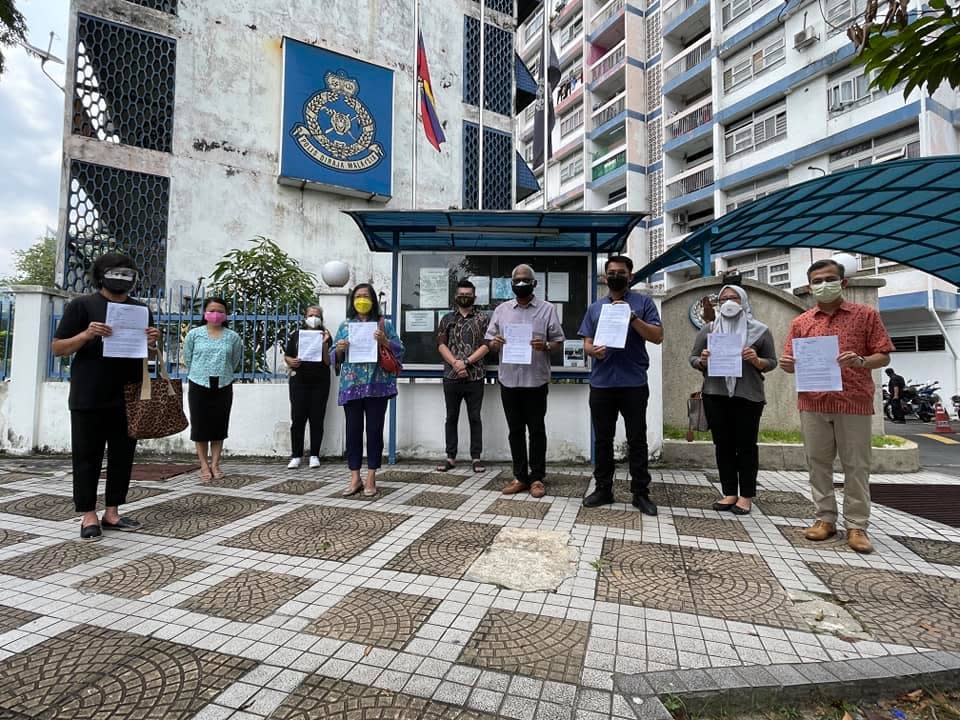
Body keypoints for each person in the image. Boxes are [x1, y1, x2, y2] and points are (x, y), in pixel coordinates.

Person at [780, 259, 894, 554]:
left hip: (852, 400)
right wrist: (788, 364)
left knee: (856, 465)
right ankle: (824, 519)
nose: (823, 284)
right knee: (817, 463)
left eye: (829, 278)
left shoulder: (865, 315)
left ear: (843, 283)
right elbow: (791, 361)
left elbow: (883, 354)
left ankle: (857, 525)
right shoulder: (801, 322)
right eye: (816, 280)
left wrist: (861, 361)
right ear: (809, 286)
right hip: (813, 400)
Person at [52, 253, 161, 540]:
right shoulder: (82, 306)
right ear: (101, 275)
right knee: (87, 456)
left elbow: (146, 356)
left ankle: (112, 512)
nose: (123, 278)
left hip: (128, 394)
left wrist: (151, 344)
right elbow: (58, 348)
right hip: (88, 394)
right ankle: (87, 514)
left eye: (128, 274)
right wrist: (87, 335)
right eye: (117, 272)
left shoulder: (141, 310)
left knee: (123, 457)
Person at [579, 256, 663, 515]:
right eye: (611, 272)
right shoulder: (595, 308)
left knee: (637, 439)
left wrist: (633, 318)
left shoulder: (644, 303)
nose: (616, 276)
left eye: (621, 272)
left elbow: (657, 337)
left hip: (633, 382)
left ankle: (640, 493)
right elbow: (586, 343)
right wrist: (594, 352)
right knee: (602, 439)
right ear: (605, 278)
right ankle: (603, 489)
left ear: (630, 275)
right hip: (602, 384)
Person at [690, 284, 778, 515]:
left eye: (734, 297)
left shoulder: (760, 330)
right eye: (724, 298)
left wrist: (757, 361)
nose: (729, 302)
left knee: (746, 446)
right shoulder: (709, 329)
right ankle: (729, 492)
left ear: (744, 301)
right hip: (715, 395)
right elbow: (692, 358)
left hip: (748, 396)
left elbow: (772, 361)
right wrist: (703, 361)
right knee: (723, 445)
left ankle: (746, 495)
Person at [486, 264, 565, 498]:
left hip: (536, 382)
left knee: (537, 430)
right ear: (511, 284)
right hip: (509, 381)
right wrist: (495, 344)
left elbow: (558, 341)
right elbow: (490, 342)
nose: (521, 284)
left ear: (534, 283)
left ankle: (537, 478)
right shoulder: (501, 310)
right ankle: (520, 477)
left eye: (525, 280)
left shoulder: (547, 309)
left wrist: (547, 346)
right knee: (515, 431)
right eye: (517, 280)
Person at [332, 283, 404, 496]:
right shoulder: (345, 325)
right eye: (358, 296)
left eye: (366, 296)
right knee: (353, 431)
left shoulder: (384, 325)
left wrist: (385, 341)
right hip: (351, 386)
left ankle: (371, 475)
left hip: (377, 386)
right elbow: (333, 356)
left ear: (373, 300)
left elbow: (400, 350)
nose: (361, 299)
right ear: (352, 300)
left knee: (374, 431)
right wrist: (339, 349)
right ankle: (355, 477)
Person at [183, 297, 243, 481]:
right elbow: (188, 358)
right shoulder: (194, 334)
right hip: (199, 383)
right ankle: (203, 465)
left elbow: (235, 360)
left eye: (220, 311)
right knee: (200, 426)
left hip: (223, 384)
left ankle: (216, 464)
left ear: (225, 315)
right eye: (212, 310)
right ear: (204, 313)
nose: (215, 314)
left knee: (219, 425)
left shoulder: (232, 337)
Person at [436, 279, 490, 473]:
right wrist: (456, 364)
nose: (465, 297)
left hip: (475, 376)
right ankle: (450, 457)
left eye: (468, 294)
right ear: (455, 296)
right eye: (461, 294)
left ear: (474, 297)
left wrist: (466, 362)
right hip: (451, 376)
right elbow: (441, 344)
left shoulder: (483, 318)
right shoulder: (447, 319)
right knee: (451, 417)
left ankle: (476, 457)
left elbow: (487, 345)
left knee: (475, 417)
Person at [284, 305, 332, 468]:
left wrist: (325, 343)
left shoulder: (325, 335)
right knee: (297, 418)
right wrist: (290, 361)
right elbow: (287, 356)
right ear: (305, 317)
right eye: (310, 314)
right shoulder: (296, 335)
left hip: (320, 382)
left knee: (317, 418)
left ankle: (314, 455)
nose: (313, 317)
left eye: (317, 315)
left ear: (321, 318)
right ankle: (296, 455)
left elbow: (328, 361)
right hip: (299, 382)